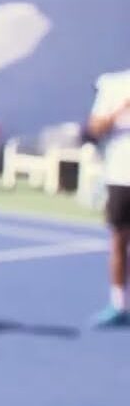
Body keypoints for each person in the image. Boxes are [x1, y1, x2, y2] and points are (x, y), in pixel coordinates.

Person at [87, 68, 130, 328]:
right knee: (118, 241)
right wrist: (122, 108)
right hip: (121, 176)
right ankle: (118, 304)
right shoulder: (114, 85)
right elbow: (94, 129)